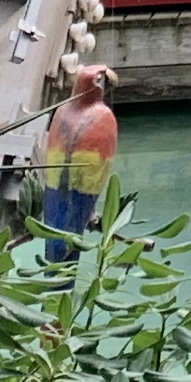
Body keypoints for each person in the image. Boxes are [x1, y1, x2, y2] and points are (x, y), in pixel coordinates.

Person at [38, 64, 117, 260]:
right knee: (67, 251)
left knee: (56, 250)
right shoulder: (104, 117)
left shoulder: (61, 112)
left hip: (53, 198)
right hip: (78, 199)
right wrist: (85, 213)